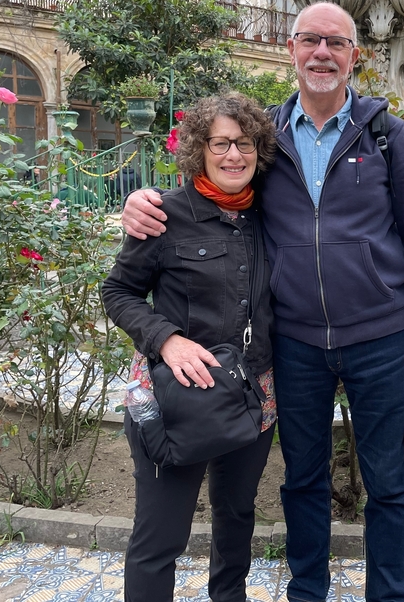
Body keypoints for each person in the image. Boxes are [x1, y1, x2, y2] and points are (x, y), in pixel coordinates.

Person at [121, 1, 404, 602]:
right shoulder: (265, 136)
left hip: (380, 337)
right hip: (295, 343)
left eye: (336, 43)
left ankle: (391, 596)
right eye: (310, 40)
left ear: (355, 56)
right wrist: (144, 201)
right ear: (291, 50)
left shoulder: (386, 133)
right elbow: (214, 186)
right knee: (302, 480)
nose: (322, 52)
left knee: (388, 481)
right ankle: (307, 593)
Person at [102, 93, 278, 602]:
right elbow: (118, 291)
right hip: (178, 395)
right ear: (199, 149)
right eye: (220, 143)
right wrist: (167, 340)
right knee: (160, 534)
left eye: (244, 143)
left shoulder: (271, 214)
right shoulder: (164, 214)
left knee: (236, 518)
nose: (233, 155)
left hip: (254, 396)